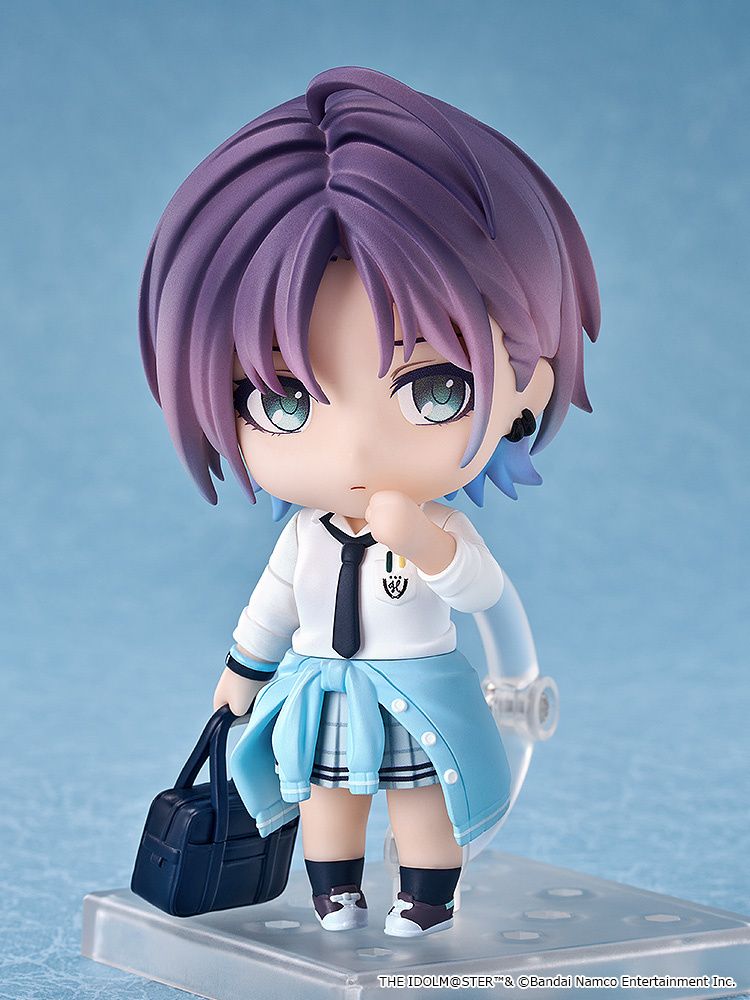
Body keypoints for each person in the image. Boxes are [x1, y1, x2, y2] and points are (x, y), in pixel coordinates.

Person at [138, 66, 599, 937]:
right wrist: (242, 673)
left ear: (527, 387)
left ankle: (425, 896)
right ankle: (335, 891)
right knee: (325, 797)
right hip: (319, 684)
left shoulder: (435, 525)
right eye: (282, 402)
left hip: (416, 687)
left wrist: (426, 545)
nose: (352, 453)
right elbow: (271, 607)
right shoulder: (305, 538)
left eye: (434, 389)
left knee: (425, 799)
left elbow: (483, 592)